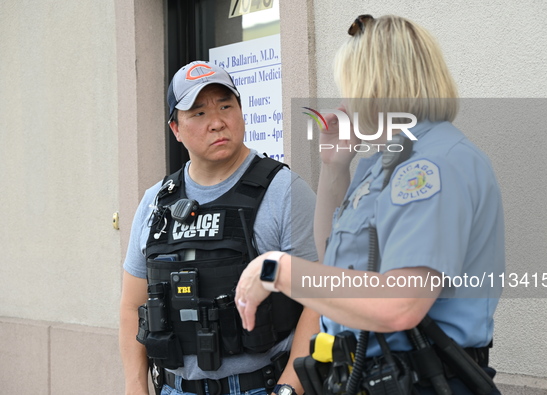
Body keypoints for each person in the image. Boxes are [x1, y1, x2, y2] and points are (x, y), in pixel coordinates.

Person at [234, 14, 505, 394]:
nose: (345, 102)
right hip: (365, 376)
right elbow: (334, 257)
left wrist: (277, 269)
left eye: (351, 87)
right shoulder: (386, 161)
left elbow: (400, 304)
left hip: (422, 380)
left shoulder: (433, 164)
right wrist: (335, 166)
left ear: (379, 86)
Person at [119, 61, 319, 395]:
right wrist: (135, 385)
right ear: (176, 129)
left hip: (261, 386)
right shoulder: (155, 201)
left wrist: (288, 389)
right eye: (198, 113)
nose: (217, 122)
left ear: (241, 112)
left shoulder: (284, 191)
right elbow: (131, 305)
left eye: (226, 106)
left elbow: (320, 299)